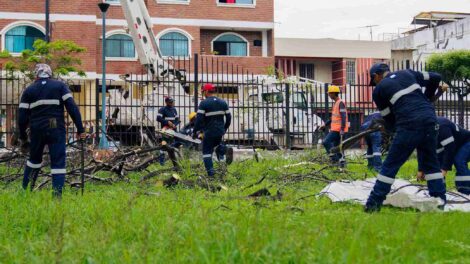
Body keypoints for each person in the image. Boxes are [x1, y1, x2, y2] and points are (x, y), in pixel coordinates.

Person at [365, 63, 446, 212]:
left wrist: (391, 131)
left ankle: (373, 204)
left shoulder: (379, 91)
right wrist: (427, 99)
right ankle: (439, 202)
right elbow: (436, 77)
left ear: (376, 75)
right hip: (430, 121)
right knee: (432, 164)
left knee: (390, 165)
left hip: (409, 125)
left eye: (373, 81)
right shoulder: (407, 73)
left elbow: (389, 119)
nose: (374, 84)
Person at [18, 64, 85, 198]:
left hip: (36, 129)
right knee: (58, 162)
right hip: (55, 127)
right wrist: (80, 129)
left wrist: (23, 137)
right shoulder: (60, 86)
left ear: (36, 75)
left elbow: (22, 117)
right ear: (50, 74)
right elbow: (72, 107)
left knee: (34, 160)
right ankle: (57, 197)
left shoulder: (29, 90)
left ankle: (25, 193)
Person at [417, 117, 470, 195]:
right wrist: (420, 169)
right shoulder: (420, 132)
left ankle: (466, 191)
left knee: (459, 161)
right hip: (455, 145)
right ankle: (440, 191)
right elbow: (422, 151)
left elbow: (450, 149)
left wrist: (445, 169)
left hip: (466, 142)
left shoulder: (442, 127)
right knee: (437, 166)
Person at [193, 83, 233, 177]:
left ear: (206, 91)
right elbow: (229, 117)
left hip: (209, 132)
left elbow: (198, 120)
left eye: (203, 92)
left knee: (207, 152)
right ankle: (223, 171)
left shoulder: (204, 103)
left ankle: (211, 175)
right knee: (219, 149)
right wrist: (225, 128)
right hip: (219, 132)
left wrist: (195, 131)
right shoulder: (223, 102)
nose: (203, 93)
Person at [322, 85, 349, 164]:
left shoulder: (340, 103)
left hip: (339, 130)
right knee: (339, 148)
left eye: (330, 93)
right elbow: (333, 118)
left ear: (334, 93)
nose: (329, 95)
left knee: (326, 142)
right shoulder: (336, 103)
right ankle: (342, 164)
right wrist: (325, 124)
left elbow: (344, 116)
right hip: (336, 129)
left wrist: (342, 129)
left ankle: (335, 160)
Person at [157, 96, 180, 165]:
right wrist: (167, 122)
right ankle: (161, 161)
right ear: (166, 102)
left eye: (172, 101)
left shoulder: (174, 109)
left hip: (173, 130)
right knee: (164, 145)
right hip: (165, 130)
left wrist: (174, 125)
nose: (172, 103)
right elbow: (158, 118)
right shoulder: (162, 109)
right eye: (170, 102)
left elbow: (177, 120)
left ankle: (175, 160)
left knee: (175, 143)